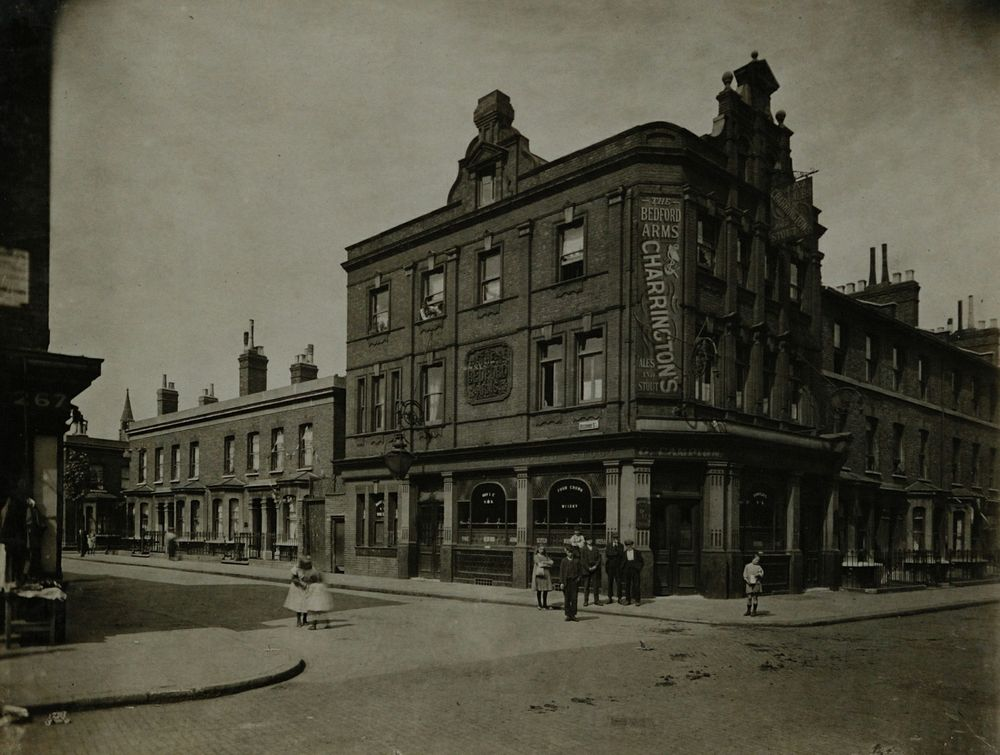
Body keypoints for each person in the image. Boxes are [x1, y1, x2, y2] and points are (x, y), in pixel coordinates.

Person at [300, 555, 334, 629]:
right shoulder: (315, 570)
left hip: (315, 589)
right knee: (322, 608)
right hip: (321, 588)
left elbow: (307, 580)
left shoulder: (310, 572)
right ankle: (328, 623)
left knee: (314, 608)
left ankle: (314, 625)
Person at [284, 555, 311, 627]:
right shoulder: (296, 568)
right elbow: (293, 578)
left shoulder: (309, 568)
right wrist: (301, 584)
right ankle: (298, 620)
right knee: (298, 604)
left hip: (306, 586)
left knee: (307, 603)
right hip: (298, 587)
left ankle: (305, 619)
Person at [25, 497, 47, 578]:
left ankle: (28, 573)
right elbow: (39, 524)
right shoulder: (32, 511)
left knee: (31, 555)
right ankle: (29, 573)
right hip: (32, 538)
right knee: (32, 556)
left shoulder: (31, 511)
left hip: (31, 538)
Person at [559, 547, 582, 621]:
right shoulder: (564, 561)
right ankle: (568, 615)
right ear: (566, 553)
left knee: (574, 599)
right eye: (569, 552)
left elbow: (580, 571)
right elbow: (561, 572)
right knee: (567, 599)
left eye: (571, 552)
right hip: (566, 582)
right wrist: (562, 582)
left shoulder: (576, 561)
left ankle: (573, 615)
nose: (570, 554)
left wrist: (578, 579)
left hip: (574, 582)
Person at [580, 537, 602, 606]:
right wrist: (588, 568)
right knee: (586, 586)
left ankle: (596, 600)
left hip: (595, 569)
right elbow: (582, 560)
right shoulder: (583, 549)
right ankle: (586, 601)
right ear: (586, 541)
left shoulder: (595, 548)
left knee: (596, 585)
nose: (589, 541)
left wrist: (595, 566)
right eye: (588, 540)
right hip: (587, 570)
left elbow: (599, 558)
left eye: (590, 539)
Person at [622, 538, 644, 606]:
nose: (629, 546)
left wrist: (638, 568)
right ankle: (627, 600)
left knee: (636, 585)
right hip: (627, 571)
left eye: (630, 545)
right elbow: (622, 563)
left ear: (632, 545)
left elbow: (641, 562)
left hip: (635, 571)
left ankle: (637, 600)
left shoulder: (637, 552)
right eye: (627, 545)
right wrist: (623, 570)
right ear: (626, 546)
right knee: (627, 586)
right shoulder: (624, 553)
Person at [532, 545, 554, 610]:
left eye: (543, 549)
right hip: (539, 574)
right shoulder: (536, 556)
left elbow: (552, 562)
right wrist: (547, 564)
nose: (542, 550)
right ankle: (539, 604)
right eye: (540, 549)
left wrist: (544, 562)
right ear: (538, 549)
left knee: (545, 590)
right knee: (539, 589)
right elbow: (539, 564)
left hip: (546, 574)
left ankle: (545, 604)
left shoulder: (546, 556)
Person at [605, 534, 624, 605]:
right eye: (614, 538)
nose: (615, 539)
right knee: (610, 582)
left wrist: (614, 552)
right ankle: (610, 597)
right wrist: (615, 553)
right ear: (612, 538)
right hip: (610, 567)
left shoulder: (621, 546)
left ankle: (619, 598)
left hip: (618, 567)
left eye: (617, 538)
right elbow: (607, 554)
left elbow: (621, 554)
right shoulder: (609, 545)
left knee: (619, 582)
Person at [743, 552, 764, 616]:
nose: (757, 561)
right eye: (756, 559)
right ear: (752, 559)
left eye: (758, 560)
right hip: (749, 583)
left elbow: (761, 573)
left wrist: (759, 575)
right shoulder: (747, 566)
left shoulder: (759, 567)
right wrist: (747, 580)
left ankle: (754, 611)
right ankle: (748, 610)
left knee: (755, 597)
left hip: (756, 583)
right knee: (749, 597)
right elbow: (744, 575)